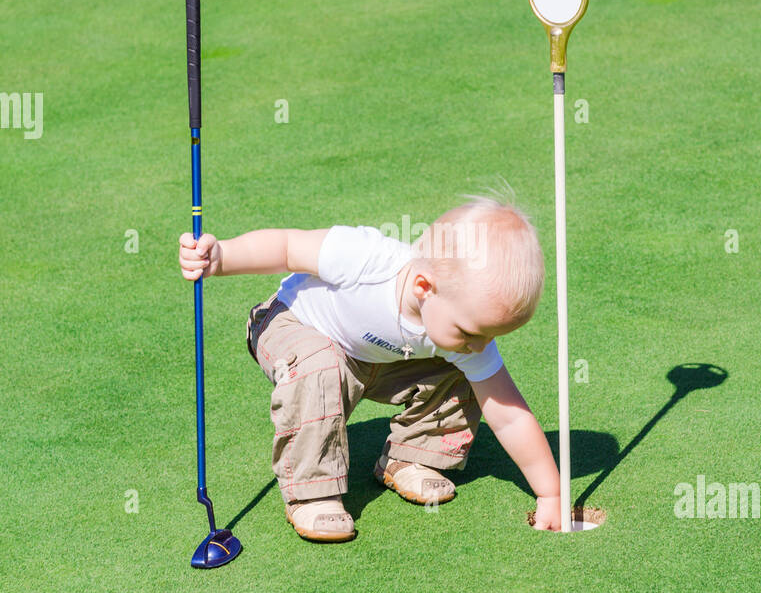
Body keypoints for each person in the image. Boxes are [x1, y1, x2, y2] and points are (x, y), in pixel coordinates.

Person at [178, 194, 569, 542]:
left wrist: (549, 492)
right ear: (423, 287)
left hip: (371, 358)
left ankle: (413, 455)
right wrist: (222, 257)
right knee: (321, 365)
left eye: (488, 335)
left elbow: (510, 415)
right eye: (471, 332)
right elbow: (285, 247)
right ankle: (312, 492)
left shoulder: (463, 328)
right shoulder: (364, 257)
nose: (481, 345)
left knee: (466, 373)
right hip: (291, 326)